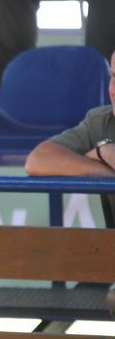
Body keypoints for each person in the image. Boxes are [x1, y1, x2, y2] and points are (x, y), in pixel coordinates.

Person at [24, 50, 115, 317]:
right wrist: (102, 158)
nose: (114, 89)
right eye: (113, 76)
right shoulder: (101, 122)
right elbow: (38, 161)